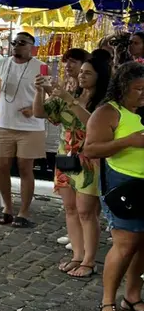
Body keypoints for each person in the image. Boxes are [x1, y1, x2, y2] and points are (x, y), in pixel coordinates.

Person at [34, 56, 109, 280]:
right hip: (66, 156)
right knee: (70, 209)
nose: (82, 76)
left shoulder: (105, 102)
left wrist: (70, 99)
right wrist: (40, 91)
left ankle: (89, 260)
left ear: (99, 76)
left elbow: (92, 123)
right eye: (81, 72)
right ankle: (77, 255)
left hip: (90, 158)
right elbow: (40, 113)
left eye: (87, 72)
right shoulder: (71, 95)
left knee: (87, 211)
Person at [83, 62, 144, 311]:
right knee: (125, 243)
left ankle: (132, 296)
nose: (143, 94)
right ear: (122, 88)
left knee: (142, 243)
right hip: (122, 184)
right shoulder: (108, 112)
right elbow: (92, 149)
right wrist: (127, 142)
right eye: (138, 89)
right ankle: (108, 302)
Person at [0, 32, 46, 228]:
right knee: (1, 166)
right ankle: (7, 208)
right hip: (5, 123)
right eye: (14, 42)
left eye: (22, 43)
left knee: (24, 168)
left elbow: (52, 94)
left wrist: (35, 108)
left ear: (32, 46)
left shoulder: (40, 66)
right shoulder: (2, 63)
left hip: (30, 127)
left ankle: (24, 211)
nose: (16, 46)